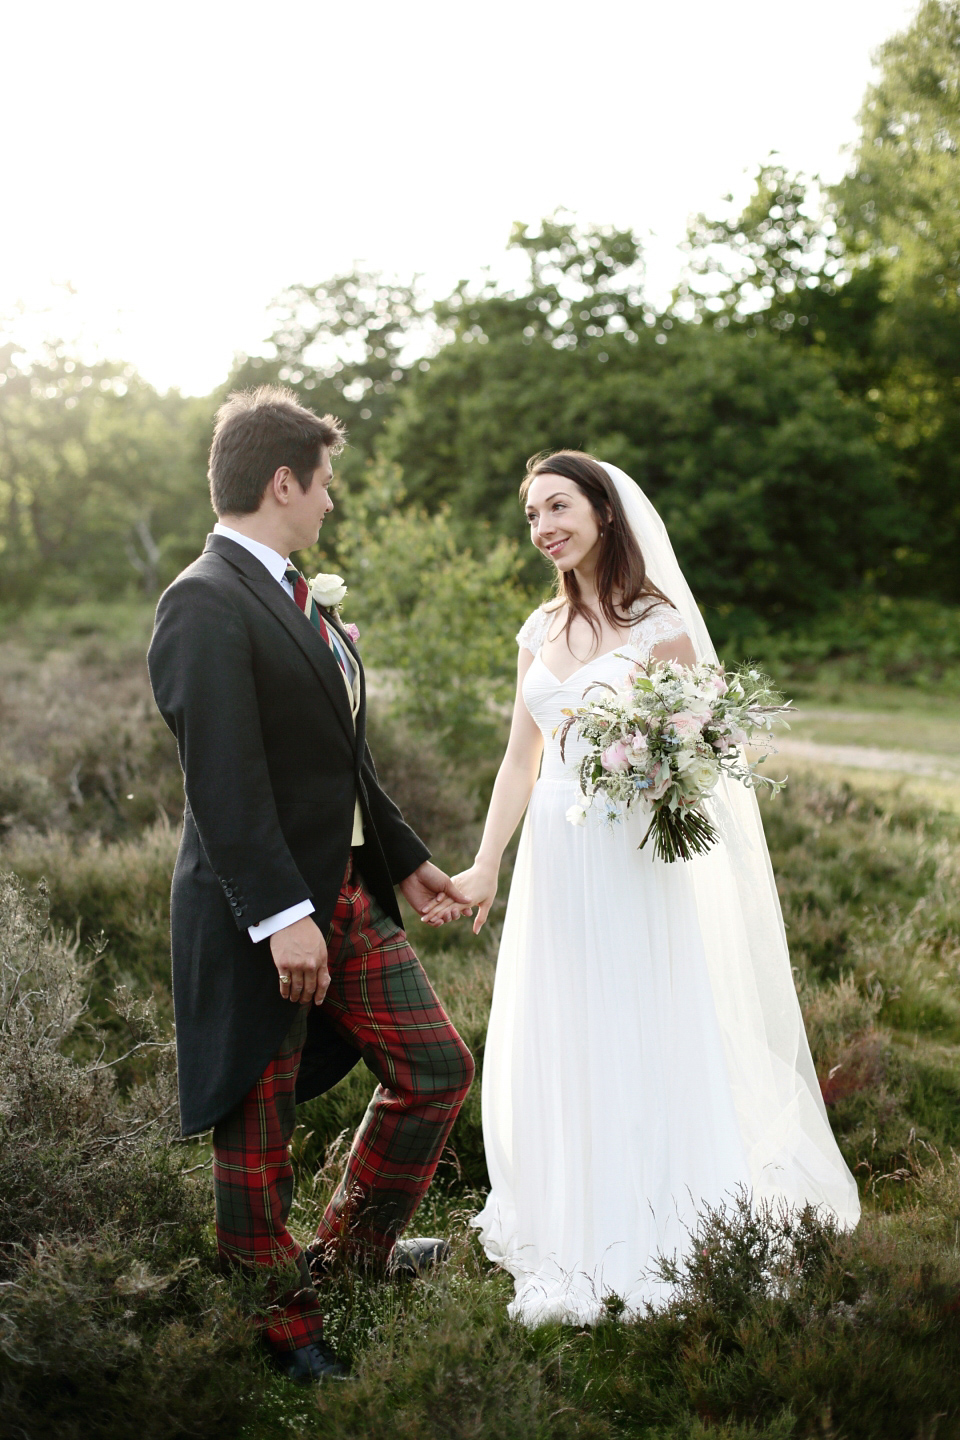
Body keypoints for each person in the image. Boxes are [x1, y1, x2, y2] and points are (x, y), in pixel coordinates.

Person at [425, 450, 860, 1326]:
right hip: (555, 859)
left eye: (558, 507)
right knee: (567, 1020)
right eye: (532, 515)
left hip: (631, 857)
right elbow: (521, 759)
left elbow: (709, 753)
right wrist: (485, 863)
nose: (544, 527)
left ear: (605, 511)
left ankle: (670, 1215)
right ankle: (573, 1206)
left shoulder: (658, 622)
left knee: (643, 1016)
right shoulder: (537, 631)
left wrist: (657, 767)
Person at [147, 387, 474, 1382]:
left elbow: (343, 762)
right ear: (282, 481)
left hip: (345, 892)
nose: (331, 502)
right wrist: (283, 919)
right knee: (260, 1128)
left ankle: (354, 1251)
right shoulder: (203, 599)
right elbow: (225, 777)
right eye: (324, 483)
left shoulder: (293, 597)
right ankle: (284, 1330)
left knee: (435, 1071)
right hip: (265, 913)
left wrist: (409, 861)